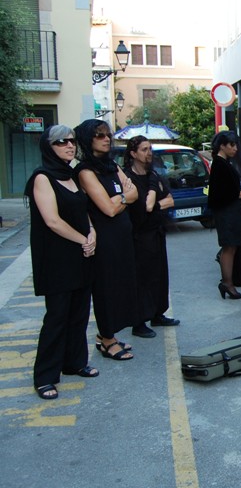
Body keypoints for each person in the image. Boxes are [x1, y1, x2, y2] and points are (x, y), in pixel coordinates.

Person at [26, 126, 97, 399]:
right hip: (56, 258)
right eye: (62, 142)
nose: (70, 146)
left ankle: (75, 362)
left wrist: (91, 233)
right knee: (57, 317)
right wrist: (83, 239)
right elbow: (52, 221)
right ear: (49, 147)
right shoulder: (42, 177)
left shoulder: (72, 175)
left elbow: (83, 211)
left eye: (72, 141)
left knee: (79, 313)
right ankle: (45, 376)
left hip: (81, 254)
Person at [75, 119, 139, 358]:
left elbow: (135, 192)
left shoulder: (111, 165)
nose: (106, 139)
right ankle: (107, 339)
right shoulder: (84, 171)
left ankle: (107, 335)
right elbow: (108, 208)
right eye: (99, 135)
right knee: (105, 288)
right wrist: (124, 197)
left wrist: (120, 197)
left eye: (107, 135)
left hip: (122, 235)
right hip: (104, 239)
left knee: (122, 285)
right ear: (87, 140)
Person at [123, 136, 180, 334]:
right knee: (141, 278)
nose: (149, 153)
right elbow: (139, 208)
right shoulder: (127, 177)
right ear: (133, 153)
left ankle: (157, 314)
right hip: (138, 235)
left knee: (159, 275)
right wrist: (154, 206)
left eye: (150, 149)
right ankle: (138, 322)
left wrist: (154, 206)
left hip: (156, 231)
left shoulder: (154, 175)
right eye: (144, 149)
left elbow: (170, 201)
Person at [208, 130, 241, 300]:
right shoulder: (220, 164)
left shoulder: (222, 162)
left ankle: (228, 282)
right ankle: (227, 283)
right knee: (229, 247)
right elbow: (225, 191)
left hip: (229, 210)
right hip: (227, 212)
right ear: (222, 146)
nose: (235, 149)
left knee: (231, 247)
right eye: (232, 145)